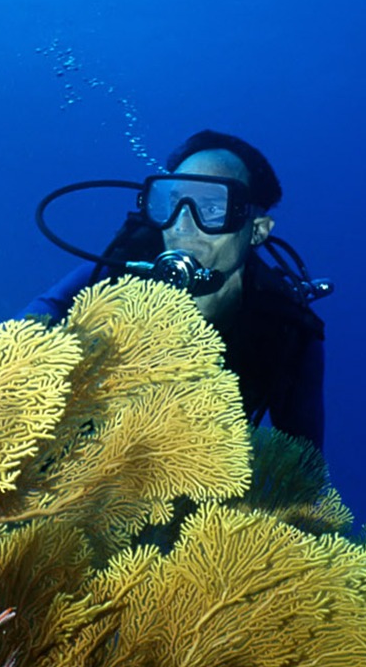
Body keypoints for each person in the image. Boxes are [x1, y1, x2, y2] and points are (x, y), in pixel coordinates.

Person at [21, 129, 326, 449]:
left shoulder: (290, 332)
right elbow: (24, 331)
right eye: (172, 203)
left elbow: (303, 464)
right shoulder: (115, 272)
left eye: (210, 208)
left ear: (258, 231)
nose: (182, 226)